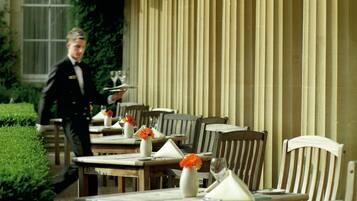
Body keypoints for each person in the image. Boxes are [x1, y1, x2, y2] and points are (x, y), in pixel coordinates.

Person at [36, 27, 125, 195]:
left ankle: (91, 196)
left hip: (84, 120)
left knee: (88, 160)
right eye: (77, 46)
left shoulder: (85, 68)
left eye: (83, 47)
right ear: (68, 45)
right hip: (71, 121)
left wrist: (112, 98)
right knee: (83, 161)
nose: (81, 50)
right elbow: (46, 96)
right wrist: (42, 122)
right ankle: (47, 190)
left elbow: (92, 95)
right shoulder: (60, 68)